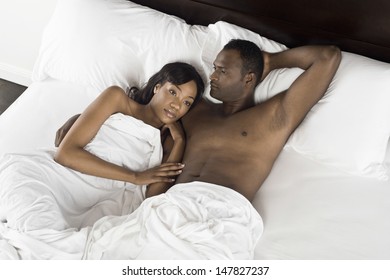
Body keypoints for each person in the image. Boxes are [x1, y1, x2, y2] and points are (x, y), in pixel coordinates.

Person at [56, 40, 341, 202]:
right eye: (213, 68)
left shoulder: (274, 116)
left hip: (221, 209)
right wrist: (85, 120)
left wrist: (269, 61)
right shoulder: (194, 108)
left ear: (249, 78)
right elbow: (151, 106)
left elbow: (327, 57)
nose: (212, 76)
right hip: (166, 206)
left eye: (222, 71)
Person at [0, 62, 204, 234]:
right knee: (35, 225)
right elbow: (65, 154)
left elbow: (151, 199)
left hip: (97, 205)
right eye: (173, 92)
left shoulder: (165, 142)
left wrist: (180, 142)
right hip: (56, 179)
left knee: (53, 241)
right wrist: (136, 176)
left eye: (186, 102)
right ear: (157, 87)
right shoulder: (117, 99)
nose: (177, 105)